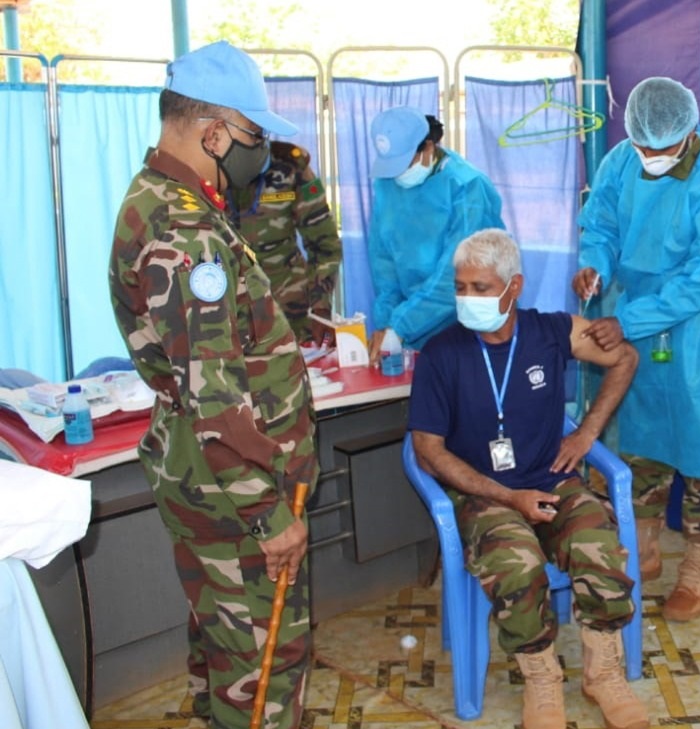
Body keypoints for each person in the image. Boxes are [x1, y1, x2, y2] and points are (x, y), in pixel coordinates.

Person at [107, 41, 316, 729]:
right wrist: (268, 514)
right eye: (254, 137)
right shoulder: (190, 234)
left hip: (201, 478)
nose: (262, 153)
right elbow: (216, 401)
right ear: (214, 133)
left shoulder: (154, 200)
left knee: (222, 644)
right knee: (262, 669)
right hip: (236, 493)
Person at [409, 229, 646, 729]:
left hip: (552, 480)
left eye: (480, 286)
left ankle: (602, 673)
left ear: (514, 287)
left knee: (598, 543)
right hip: (483, 495)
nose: (467, 299)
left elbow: (625, 358)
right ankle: (541, 678)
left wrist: (586, 433)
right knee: (517, 566)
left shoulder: (551, 331)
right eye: (461, 287)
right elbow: (427, 451)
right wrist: (507, 496)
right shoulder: (440, 354)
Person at [573, 76, 700, 623]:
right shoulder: (621, 159)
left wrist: (627, 318)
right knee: (640, 443)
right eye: (641, 147)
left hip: (699, 329)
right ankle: (645, 547)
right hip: (632, 318)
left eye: (660, 148)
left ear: (688, 132)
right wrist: (596, 267)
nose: (649, 157)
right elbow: (602, 224)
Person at [365, 106, 505, 361]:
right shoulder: (387, 182)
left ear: (428, 147)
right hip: (410, 325)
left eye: (403, 163)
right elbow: (383, 263)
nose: (397, 174)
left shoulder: (466, 187)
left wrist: (400, 327)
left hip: (466, 324)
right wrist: (387, 323)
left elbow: (457, 276)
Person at [228, 141, 342, 346]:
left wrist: (320, 308)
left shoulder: (291, 169)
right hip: (229, 319)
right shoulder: (203, 170)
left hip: (291, 313)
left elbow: (325, 245)